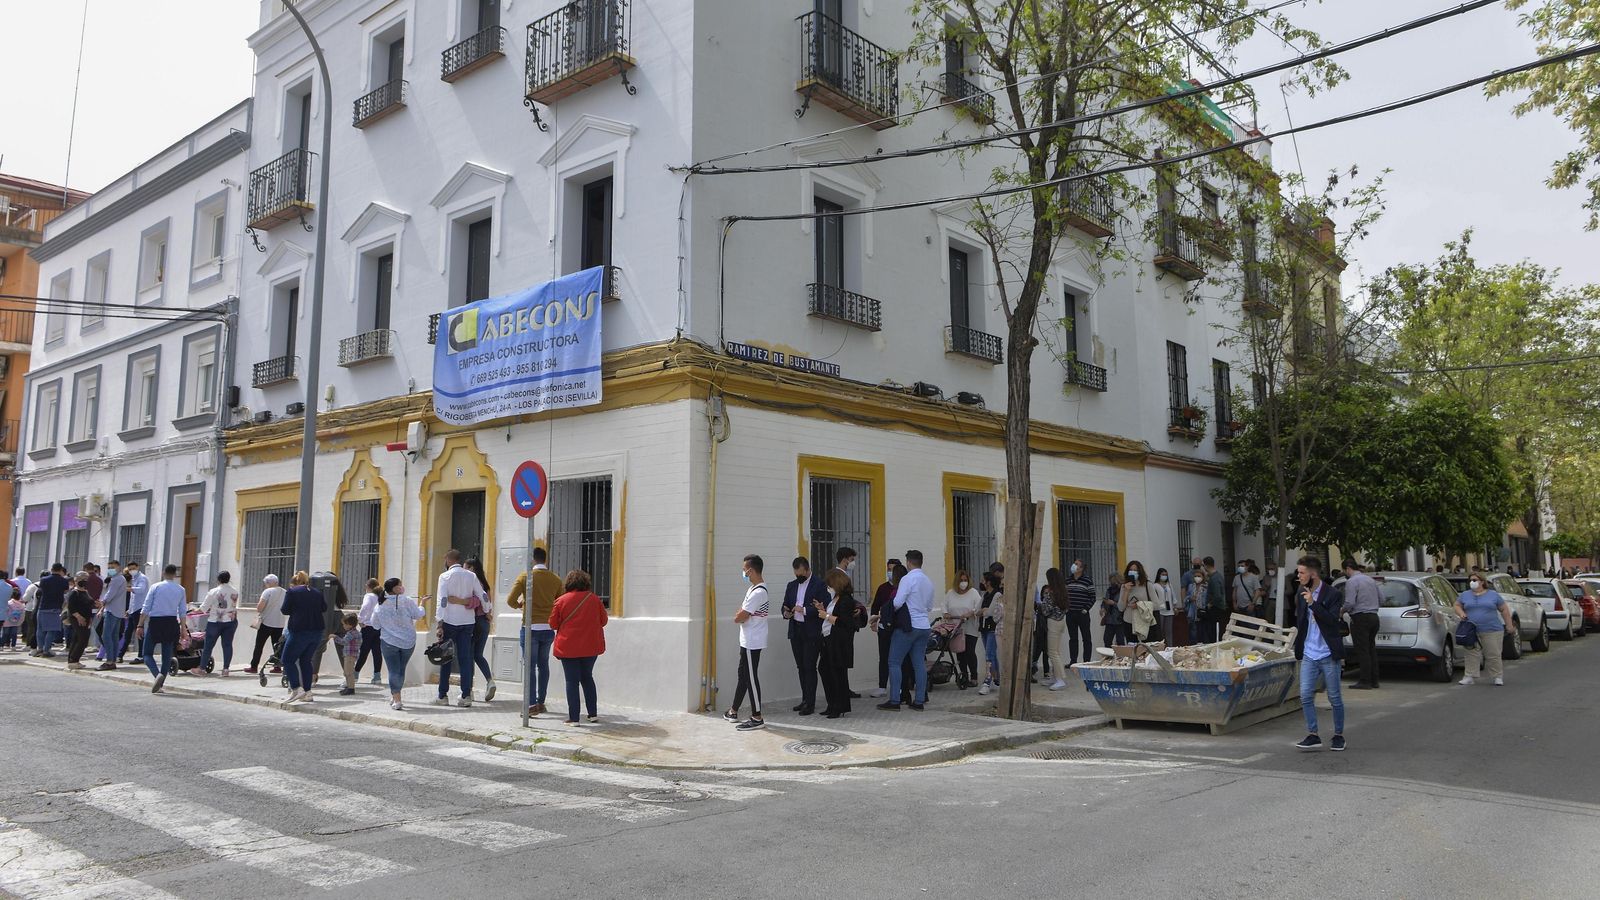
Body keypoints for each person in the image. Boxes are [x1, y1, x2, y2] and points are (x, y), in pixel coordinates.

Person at [1292, 556, 1347, 752]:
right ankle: (1313, 734)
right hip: (1309, 652)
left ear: (1313, 574)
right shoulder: (1300, 592)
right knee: (1305, 694)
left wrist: (1314, 604)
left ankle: (1338, 735)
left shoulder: (1332, 594)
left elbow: (1332, 621)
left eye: (1301, 572)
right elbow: (1300, 621)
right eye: (1298, 572)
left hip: (1327, 653)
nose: (1298, 576)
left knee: (1334, 697)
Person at [506, 547, 564, 717]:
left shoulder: (525, 577)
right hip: (548, 628)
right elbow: (559, 603)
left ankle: (530, 704)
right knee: (543, 665)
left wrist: (521, 605)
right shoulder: (555, 579)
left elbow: (510, 600)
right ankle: (540, 702)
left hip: (530, 627)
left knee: (529, 666)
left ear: (532, 559)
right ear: (545, 559)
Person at [550, 569, 608, 725]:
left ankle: (574, 718)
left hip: (568, 647)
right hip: (590, 647)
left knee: (572, 681)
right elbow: (604, 621)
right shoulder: (595, 599)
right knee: (587, 677)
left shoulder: (561, 601)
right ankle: (593, 714)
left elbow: (553, 624)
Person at [879, 549, 934, 711]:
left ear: (909, 562)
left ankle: (895, 700)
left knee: (894, 662)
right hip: (924, 626)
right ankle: (919, 701)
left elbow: (897, 602)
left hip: (908, 626)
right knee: (919, 664)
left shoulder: (907, 579)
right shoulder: (928, 581)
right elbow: (930, 606)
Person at [434, 549, 485, 708]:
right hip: (467, 622)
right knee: (465, 659)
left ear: (448, 560)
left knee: (446, 659)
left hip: (449, 622)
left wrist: (439, 622)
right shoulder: (471, 575)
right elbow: (482, 594)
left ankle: (443, 695)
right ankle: (466, 695)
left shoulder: (444, 577)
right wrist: (487, 608)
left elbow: (442, 600)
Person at [725, 554, 769, 730]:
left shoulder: (758, 592)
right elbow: (741, 614)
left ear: (751, 570)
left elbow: (740, 616)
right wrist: (740, 615)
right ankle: (733, 711)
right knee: (743, 676)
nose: (743, 573)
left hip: (753, 641)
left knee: (750, 678)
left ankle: (757, 717)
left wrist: (739, 616)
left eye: (744, 570)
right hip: (747, 640)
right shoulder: (752, 589)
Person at [781, 556, 827, 716]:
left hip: (811, 631)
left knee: (809, 667)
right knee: (801, 667)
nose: (798, 577)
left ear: (807, 570)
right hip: (796, 630)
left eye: (801, 574)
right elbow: (785, 604)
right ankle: (804, 699)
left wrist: (805, 610)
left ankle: (811, 703)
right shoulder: (791, 585)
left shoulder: (819, 584)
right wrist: (786, 612)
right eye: (796, 574)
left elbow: (824, 608)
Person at [373, 577, 426, 710]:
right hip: (408, 641)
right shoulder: (407, 601)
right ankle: (396, 695)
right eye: (400, 585)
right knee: (401, 670)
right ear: (395, 588)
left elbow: (375, 625)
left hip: (389, 642)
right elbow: (418, 615)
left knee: (393, 671)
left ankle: (397, 698)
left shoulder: (380, 604)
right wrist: (422, 603)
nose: (402, 587)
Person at [136, 565, 189, 694]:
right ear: (175, 574)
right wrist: (183, 629)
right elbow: (182, 611)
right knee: (167, 655)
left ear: (163, 573)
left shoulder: (155, 587)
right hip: (171, 622)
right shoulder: (180, 589)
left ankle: (157, 675)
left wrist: (140, 625)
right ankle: (161, 681)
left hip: (156, 622)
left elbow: (146, 608)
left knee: (147, 653)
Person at [1454, 573, 1514, 686]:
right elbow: (1457, 605)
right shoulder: (1465, 595)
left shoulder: (1493, 595)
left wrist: (1509, 625)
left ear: (1482, 582)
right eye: (1470, 580)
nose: (1472, 582)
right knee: (1471, 653)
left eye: (1475, 580)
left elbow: (1504, 609)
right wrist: (1461, 613)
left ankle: (1497, 676)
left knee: (1493, 653)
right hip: (1471, 630)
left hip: (1492, 629)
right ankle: (1469, 676)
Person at [279, 571, 328, 703]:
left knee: (287, 660)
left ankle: (296, 688)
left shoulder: (292, 592)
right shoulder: (317, 592)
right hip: (317, 631)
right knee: (306, 661)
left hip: (299, 630)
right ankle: (308, 692)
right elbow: (324, 608)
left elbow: (285, 610)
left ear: (294, 583)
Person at [818, 569, 858, 719]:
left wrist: (826, 616)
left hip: (839, 644)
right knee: (824, 670)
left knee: (837, 675)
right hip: (828, 641)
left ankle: (839, 706)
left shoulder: (846, 600)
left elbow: (845, 622)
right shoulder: (835, 598)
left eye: (829, 584)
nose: (828, 587)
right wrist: (823, 611)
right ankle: (831, 703)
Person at [1341, 560, 1383, 690]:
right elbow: (1382, 598)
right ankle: (1374, 680)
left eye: (1344, 571)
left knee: (1362, 650)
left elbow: (1350, 603)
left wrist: (1341, 611)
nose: (1344, 573)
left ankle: (1365, 681)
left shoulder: (1351, 582)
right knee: (1371, 649)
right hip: (1374, 617)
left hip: (1360, 618)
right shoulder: (1370, 580)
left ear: (1348, 569)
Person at [464, 557, 497, 701]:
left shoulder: (471, 583)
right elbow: (489, 605)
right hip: (485, 622)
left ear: (471, 568)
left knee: (469, 656)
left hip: (473, 622)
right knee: (478, 654)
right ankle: (490, 681)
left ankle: (469, 690)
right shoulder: (485, 584)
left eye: (465, 568)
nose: (464, 571)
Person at [941, 570, 981, 688]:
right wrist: (946, 613)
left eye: (965, 580)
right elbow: (944, 605)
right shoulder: (950, 593)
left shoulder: (973, 593)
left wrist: (971, 613)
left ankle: (974, 677)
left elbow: (979, 607)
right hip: (956, 627)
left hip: (970, 627)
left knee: (970, 651)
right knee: (960, 652)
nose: (963, 583)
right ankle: (964, 676)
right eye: (961, 580)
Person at [867, 559, 901, 699]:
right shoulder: (882, 588)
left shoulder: (903, 588)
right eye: (888, 569)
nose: (890, 572)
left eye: (893, 569)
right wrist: (874, 621)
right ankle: (882, 686)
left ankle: (899, 687)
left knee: (898, 659)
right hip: (883, 628)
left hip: (898, 628)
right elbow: (875, 606)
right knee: (884, 657)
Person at [198, 572, 240, 676]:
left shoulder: (213, 592)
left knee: (208, 646)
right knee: (227, 645)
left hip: (215, 621)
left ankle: (202, 668)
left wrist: (193, 610)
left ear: (218, 579)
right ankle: (226, 669)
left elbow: (204, 608)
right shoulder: (234, 591)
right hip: (230, 621)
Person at [250, 574, 287, 681]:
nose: (265, 585)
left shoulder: (268, 592)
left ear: (269, 583)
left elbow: (260, 608)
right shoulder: (285, 592)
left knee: (259, 645)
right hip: (279, 623)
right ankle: (277, 666)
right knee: (277, 646)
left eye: (266, 583)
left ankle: (254, 666)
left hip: (266, 623)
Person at [1040, 567, 1070, 689]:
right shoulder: (1064, 590)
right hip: (1061, 621)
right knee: (1056, 651)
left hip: (1052, 622)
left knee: (1053, 652)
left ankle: (1060, 679)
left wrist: (1041, 603)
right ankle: (1055, 676)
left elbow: (1046, 611)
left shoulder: (1049, 592)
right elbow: (1066, 608)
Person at [32, 564, 70, 658]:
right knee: (51, 630)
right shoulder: (64, 581)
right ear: (61, 570)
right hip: (56, 607)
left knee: (40, 629)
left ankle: (40, 648)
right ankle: (46, 650)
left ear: (52, 569)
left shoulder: (44, 580)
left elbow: (42, 590)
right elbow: (65, 591)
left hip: (43, 606)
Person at [1063, 561, 1096, 666]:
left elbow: (1092, 597)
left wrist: (1086, 609)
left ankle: (1086, 661)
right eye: (1074, 563)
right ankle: (1073, 661)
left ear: (1081, 568)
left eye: (1076, 564)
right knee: (1073, 639)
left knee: (1086, 638)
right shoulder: (1067, 580)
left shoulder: (1087, 580)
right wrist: (1066, 608)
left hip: (1083, 614)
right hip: (1070, 613)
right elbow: (1064, 595)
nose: (1074, 565)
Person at [97, 561, 128, 669]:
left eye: (113, 567)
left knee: (106, 636)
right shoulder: (121, 579)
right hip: (118, 611)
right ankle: (113, 659)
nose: (110, 569)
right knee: (114, 637)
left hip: (112, 611)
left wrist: (102, 602)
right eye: (109, 567)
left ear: (119, 567)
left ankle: (109, 661)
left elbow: (110, 594)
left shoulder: (116, 580)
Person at [977, 571, 1005, 695]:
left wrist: (984, 611)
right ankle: (997, 679)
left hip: (993, 628)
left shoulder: (997, 594)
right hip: (983, 628)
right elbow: (977, 610)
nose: (982, 582)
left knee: (989, 654)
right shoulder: (984, 595)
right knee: (992, 655)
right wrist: (983, 610)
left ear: (988, 582)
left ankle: (987, 681)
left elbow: (991, 612)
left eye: (984, 580)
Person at [354, 578, 384, 686]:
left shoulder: (369, 596)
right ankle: (377, 676)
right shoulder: (380, 597)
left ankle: (355, 674)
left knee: (364, 651)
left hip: (368, 627)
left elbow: (365, 607)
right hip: (378, 627)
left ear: (368, 586)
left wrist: (360, 620)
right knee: (377, 652)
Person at [64, 574, 95, 670]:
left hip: (86, 618)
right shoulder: (74, 592)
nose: (84, 581)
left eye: (86, 579)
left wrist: (89, 618)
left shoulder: (85, 592)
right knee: (83, 639)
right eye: (82, 579)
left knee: (77, 638)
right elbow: (71, 607)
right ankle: (74, 659)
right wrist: (79, 617)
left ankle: (73, 660)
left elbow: (89, 605)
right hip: (77, 618)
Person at [122, 563, 151, 662]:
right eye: (130, 569)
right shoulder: (134, 579)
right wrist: (129, 610)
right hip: (133, 610)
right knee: (128, 633)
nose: (131, 571)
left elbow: (141, 590)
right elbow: (133, 598)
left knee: (139, 633)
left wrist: (129, 589)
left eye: (133, 569)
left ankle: (141, 655)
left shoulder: (142, 578)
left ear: (138, 568)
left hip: (139, 609)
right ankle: (120, 654)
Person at [1124, 561, 1157, 643]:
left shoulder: (1147, 585)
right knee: (1132, 650)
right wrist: (1126, 591)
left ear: (1140, 572)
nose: (1133, 572)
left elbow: (1157, 605)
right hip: (1129, 621)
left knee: (1147, 649)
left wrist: (1139, 605)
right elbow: (1121, 607)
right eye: (1131, 570)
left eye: (1135, 570)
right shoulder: (1124, 586)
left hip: (1144, 621)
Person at [333, 613, 362, 696]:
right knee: (347, 672)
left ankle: (351, 688)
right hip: (351, 655)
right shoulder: (355, 633)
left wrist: (335, 637)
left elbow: (343, 642)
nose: (343, 626)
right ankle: (349, 687)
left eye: (344, 624)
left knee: (348, 672)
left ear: (350, 625)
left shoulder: (351, 634)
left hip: (350, 655)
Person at [1101, 573, 1126, 648]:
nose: (1112, 583)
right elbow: (1105, 601)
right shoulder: (1109, 590)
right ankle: (1108, 657)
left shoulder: (1123, 591)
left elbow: (1123, 605)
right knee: (1107, 640)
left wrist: (1113, 603)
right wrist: (1102, 608)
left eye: (1113, 580)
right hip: (1109, 620)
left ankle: (1121, 657)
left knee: (1120, 642)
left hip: (1119, 620)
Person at [1153, 568, 1177, 645]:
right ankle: (1161, 647)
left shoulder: (1169, 584)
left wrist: (1175, 606)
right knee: (1160, 631)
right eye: (1163, 574)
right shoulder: (1155, 586)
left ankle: (1170, 647)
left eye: (1166, 575)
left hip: (1169, 611)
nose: (1164, 576)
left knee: (1169, 632)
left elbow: (1173, 596)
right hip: (1160, 611)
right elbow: (1153, 598)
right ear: (1159, 575)